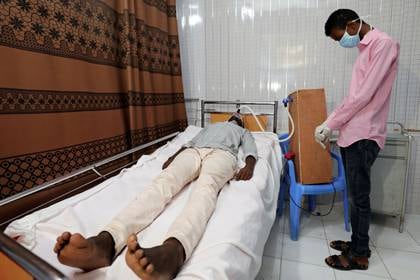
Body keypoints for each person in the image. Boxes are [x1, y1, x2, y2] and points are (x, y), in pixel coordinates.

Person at [53, 112, 257, 280]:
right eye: (234, 115)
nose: (235, 117)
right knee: (163, 183)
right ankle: (106, 242)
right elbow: (190, 142)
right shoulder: (209, 127)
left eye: (238, 116)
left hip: (223, 156)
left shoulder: (242, 131)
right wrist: (173, 156)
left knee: (205, 189)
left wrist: (249, 164)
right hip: (194, 151)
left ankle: (173, 252)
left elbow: (250, 148)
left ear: (238, 121)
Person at [315, 9, 399, 271]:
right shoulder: (366, 50)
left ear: (352, 25)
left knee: (359, 198)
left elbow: (363, 96)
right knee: (354, 196)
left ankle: (360, 255)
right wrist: (334, 126)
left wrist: (330, 124)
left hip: (365, 134)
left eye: (340, 37)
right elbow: (356, 97)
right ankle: (357, 242)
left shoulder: (383, 45)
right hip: (354, 133)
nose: (343, 42)